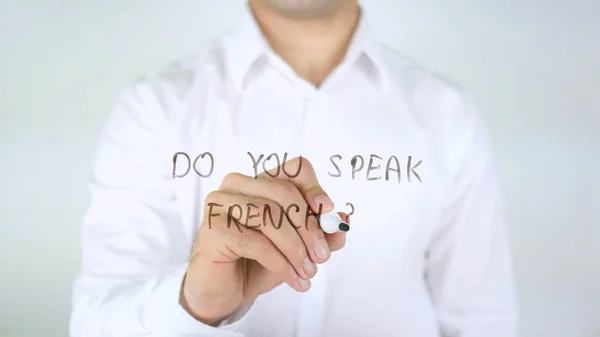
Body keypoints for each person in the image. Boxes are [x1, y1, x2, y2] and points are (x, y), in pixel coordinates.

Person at [69, 0, 518, 336]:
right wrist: (197, 304)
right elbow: (97, 322)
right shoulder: (153, 110)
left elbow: (483, 321)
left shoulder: (448, 115)